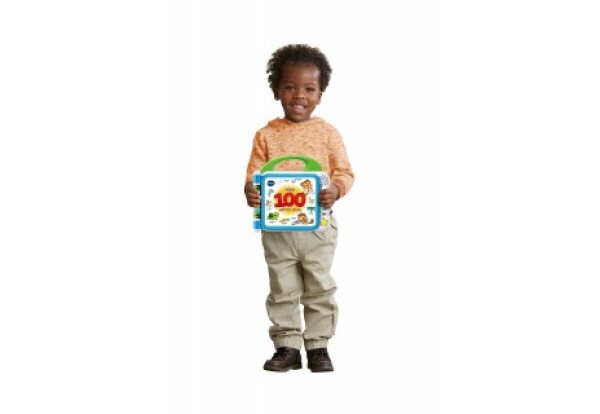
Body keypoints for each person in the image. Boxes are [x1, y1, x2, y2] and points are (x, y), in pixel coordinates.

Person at [244, 44, 354, 373]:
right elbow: (254, 177)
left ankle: (318, 346)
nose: (299, 96)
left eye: (309, 89)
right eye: (290, 87)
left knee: (319, 284)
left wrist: (335, 189)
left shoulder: (328, 133)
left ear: (320, 94)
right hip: (277, 228)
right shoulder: (265, 135)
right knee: (283, 287)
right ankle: (287, 345)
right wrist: (251, 191)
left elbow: (345, 172)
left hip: (317, 228)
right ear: (277, 90)